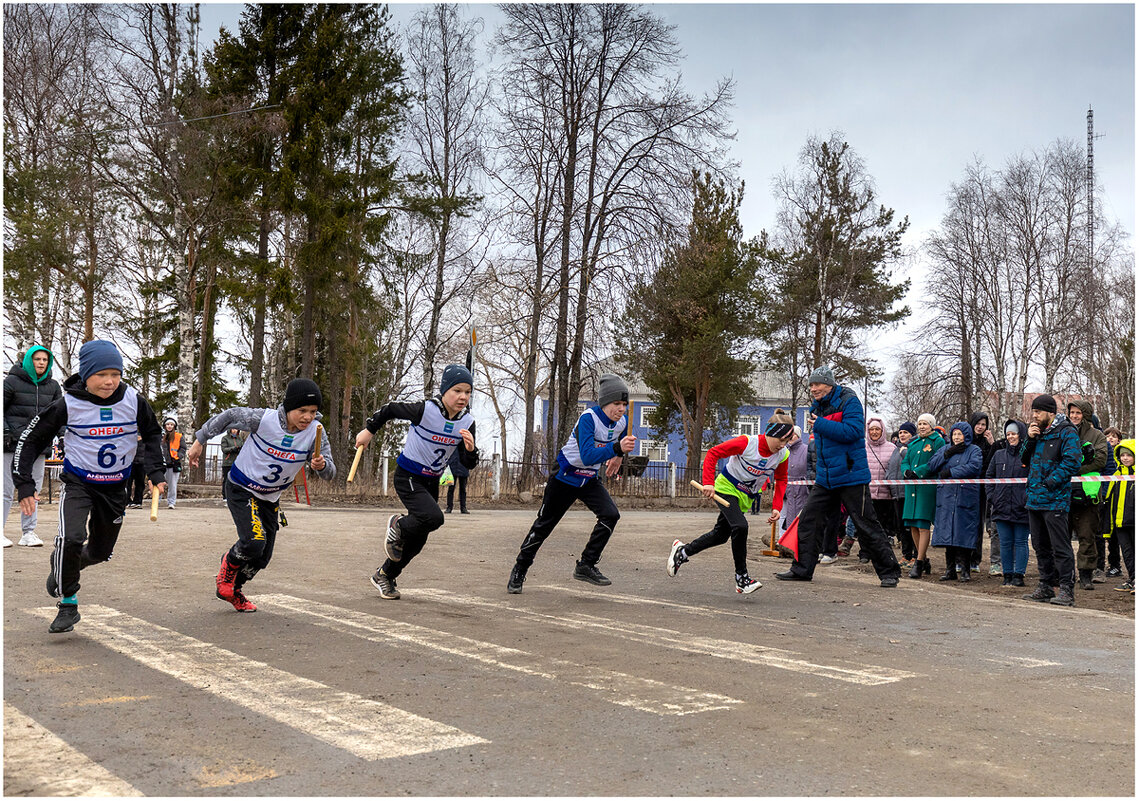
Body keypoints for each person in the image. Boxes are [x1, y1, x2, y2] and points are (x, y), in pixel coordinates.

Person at [13, 340, 167, 634]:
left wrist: (155, 470)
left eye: (116, 374)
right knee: (71, 538)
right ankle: (68, 603)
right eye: (101, 375)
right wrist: (24, 483)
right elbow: (30, 440)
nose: (110, 382)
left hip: (114, 488)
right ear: (86, 374)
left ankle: (66, 566)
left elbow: (152, 433)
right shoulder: (67, 404)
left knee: (99, 552)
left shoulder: (134, 401)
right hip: (78, 483)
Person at [187, 378, 336, 612]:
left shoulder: (316, 432)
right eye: (302, 411)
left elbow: (330, 473)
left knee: (262, 558)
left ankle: (234, 590)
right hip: (241, 487)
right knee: (254, 541)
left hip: (270, 497)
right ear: (288, 407)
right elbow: (230, 415)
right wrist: (200, 440)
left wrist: (321, 465)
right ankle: (228, 565)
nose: (307, 417)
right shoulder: (263, 419)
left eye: (313, 411)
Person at [356, 364, 479, 600]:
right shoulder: (425, 410)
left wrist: (471, 450)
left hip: (431, 482)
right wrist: (369, 431)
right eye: (457, 391)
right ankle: (398, 525)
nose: (463, 397)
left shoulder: (467, 422)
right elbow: (390, 409)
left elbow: (468, 462)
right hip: (408, 475)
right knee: (434, 518)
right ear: (445, 391)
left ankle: (385, 575)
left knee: (419, 538)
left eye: (467, 392)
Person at [507, 373, 635, 594]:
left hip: (589, 479)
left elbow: (619, 441)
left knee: (611, 515)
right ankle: (520, 568)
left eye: (624, 404)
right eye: (616, 403)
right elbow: (586, 455)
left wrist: (619, 456)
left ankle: (586, 564)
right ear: (604, 402)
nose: (621, 408)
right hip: (565, 476)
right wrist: (616, 450)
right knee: (543, 526)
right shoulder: (589, 418)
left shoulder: (621, 422)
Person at [772, 367, 901, 587]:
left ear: (829, 384)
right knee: (808, 520)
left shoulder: (849, 400)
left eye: (817, 385)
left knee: (865, 523)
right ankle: (802, 568)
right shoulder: (817, 406)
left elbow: (852, 431)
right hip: (826, 477)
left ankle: (889, 572)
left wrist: (821, 424)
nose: (813, 389)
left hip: (851, 475)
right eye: (811, 385)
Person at [668, 409, 794, 593]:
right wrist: (709, 483)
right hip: (726, 488)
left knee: (720, 535)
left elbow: (781, 479)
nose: (782, 445)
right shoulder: (747, 443)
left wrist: (777, 507)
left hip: (746, 496)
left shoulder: (782, 455)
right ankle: (742, 578)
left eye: (787, 441)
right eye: (780, 439)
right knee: (740, 526)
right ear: (769, 433)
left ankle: (683, 552)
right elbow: (713, 453)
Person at [1020, 394, 1082, 607]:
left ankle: (1066, 589)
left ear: (1050, 412)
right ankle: (1046, 585)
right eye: (1033, 412)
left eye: (1038, 412)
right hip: (1034, 499)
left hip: (1055, 500)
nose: (1034, 416)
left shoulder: (1067, 432)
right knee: (1040, 545)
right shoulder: (1037, 433)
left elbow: (1072, 462)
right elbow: (1023, 459)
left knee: (1060, 547)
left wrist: (1050, 482)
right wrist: (1029, 438)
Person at [3, 346, 63, 547]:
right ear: (29, 360)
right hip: (11, 445)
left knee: (34, 489)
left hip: (38, 447)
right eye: (37, 359)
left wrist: (63, 436)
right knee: (6, 489)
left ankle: (28, 532)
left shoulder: (54, 386)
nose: (41, 363)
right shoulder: (11, 382)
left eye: (45, 359)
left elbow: (59, 416)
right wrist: (5, 433)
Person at [926, 421, 984, 582]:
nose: (957, 437)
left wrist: (951, 472)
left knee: (963, 533)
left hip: (965, 497)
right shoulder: (945, 448)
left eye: (960, 434)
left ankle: (965, 570)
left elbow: (974, 467)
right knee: (947, 533)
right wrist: (947, 453)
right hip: (946, 497)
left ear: (967, 435)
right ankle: (950, 569)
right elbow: (931, 466)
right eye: (955, 434)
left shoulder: (974, 450)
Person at [1065, 400, 1109, 589]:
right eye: (1072, 412)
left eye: (1078, 413)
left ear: (1086, 414)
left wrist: (1074, 469)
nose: (1074, 416)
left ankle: (1085, 575)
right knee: (1061, 537)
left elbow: (1100, 460)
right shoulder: (1063, 432)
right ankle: (1064, 574)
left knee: (1087, 536)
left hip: (1088, 495)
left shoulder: (1097, 435)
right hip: (1064, 493)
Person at [985, 420, 1031, 587]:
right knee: (1004, 542)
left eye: (1014, 433)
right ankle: (1007, 575)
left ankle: (1019, 574)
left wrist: (1027, 498)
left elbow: (1033, 479)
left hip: (1022, 507)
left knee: (1020, 541)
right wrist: (992, 497)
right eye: (1008, 434)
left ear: (1021, 435)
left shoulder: (1028, 455)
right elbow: (989, 477)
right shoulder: (999, 455)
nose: (1011, 437)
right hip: (1001, 506)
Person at [901, 414, 945, 579]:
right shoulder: (913, 443)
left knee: (922, 524)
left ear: (932, 425)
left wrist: (918, 472)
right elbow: (905, 461)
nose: (922, 426)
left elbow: (936, 461)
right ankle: (924, 558)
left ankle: (918, 563)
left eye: (925, 424)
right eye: (919, 424)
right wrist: (906, 471)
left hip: (926, 488)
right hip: (911, 488)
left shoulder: (937, 441)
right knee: (912, 525)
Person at [967, 411, 999, 575]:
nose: (980, 427)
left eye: (983, 424)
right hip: (965, 487)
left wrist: (992, 443)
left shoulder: (987, 443)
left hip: (980, 489)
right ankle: (962, 558)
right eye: (978, 424)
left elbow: (990, 463)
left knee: (978, 524)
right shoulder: (965, 441)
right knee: (964, 522)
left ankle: (975, 560)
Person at [864, 415, 898, 563]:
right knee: (865, 526)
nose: (874, 432)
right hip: (867, 493)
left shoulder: (892, 448)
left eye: (877, 429)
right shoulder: (862, 447)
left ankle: (882, 554)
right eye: (872, 429)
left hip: (885, 495)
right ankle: (865, 553)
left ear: (882, 430)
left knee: (883, 526)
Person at [1104, 439, 1135, 593]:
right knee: (1127, 553)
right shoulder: (1116, 475)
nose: (1125, 458)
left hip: (1134, 522)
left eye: (1128, 455)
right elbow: (1110, 499)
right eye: (1122, 455)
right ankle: (1133, 578)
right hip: (1120, 521)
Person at [889, 422, 917, 567]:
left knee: (910, 525)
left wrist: (905, 451)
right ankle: (906, 555)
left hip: (909, 492)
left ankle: (916, 555)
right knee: (901, 526)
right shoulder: (895, 449)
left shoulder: (914, 447)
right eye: (900, 432)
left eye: (906, 432)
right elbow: (891, 468)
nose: (902, 435)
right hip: (896, 493)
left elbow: (913, 464)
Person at [1102, 426, 1124, 578]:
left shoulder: (1123, 458)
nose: (1110, 439)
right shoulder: (1103, 456)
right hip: (1106, 499)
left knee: (1117, 534)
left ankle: (1116, 565)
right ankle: (1108, 563)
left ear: (1119, 440)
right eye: (1107, 436)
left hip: (1120, 502)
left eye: (1113, 436)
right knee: (1106, 534)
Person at [160, 418, 185, 509]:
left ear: (174, 426)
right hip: (161, 463)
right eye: (168, 424)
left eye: (171, 424)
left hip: (173, 463)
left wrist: (178, 456)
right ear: (165, 426)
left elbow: (183, 448)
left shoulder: (179, 436)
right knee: (158, 482)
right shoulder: (161, 436)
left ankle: (171, 502)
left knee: (172, 484)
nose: (169, 426)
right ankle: (157, 501)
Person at [219, 427, 245, 500]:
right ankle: (225, 496)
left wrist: (240, 448)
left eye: (236, 429)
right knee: (227, 480)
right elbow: (224, 449)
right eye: (233, 429)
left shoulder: (239, 439)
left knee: (237, 480)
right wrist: (233, 448)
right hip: (228, 462)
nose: (234, 431)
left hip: (237, 463)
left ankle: (235, 496)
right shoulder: (225, 438)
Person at [445, 446, 471, 514]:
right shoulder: (452, 441)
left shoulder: (465, 441)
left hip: (463, 466)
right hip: (452, 466)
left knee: (463, 489)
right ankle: (449, 507)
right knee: (451, 488)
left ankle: (463, 507)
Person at [128, 434, 147, 508]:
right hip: (130, 463)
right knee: (128, 483)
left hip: (142, 464)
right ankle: (127, 501)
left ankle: (138, 501)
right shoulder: (129, 439)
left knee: (140, 483)